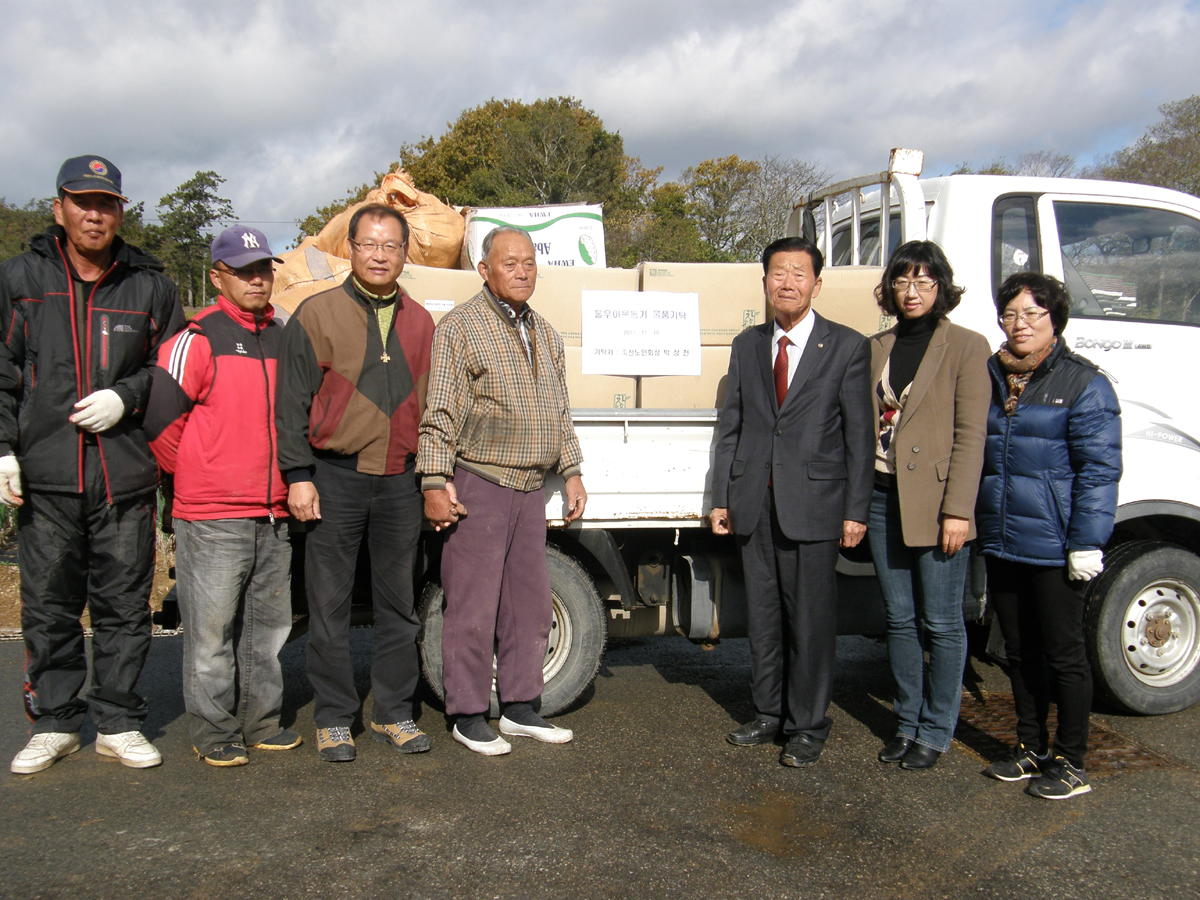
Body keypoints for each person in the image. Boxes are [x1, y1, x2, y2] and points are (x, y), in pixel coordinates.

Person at [2, 155, 184, 774]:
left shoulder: (151, 284)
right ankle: (53, 722)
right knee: (49, 605)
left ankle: (119, 721)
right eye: (82, 202)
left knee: (123, 604)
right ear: (59, 208)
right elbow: (2, 373)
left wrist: (125, 397)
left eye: (105, 203)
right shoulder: (21, 278)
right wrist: (4, 449)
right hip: (47, 474)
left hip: (124, 473)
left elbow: (172, 371)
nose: (94, 213)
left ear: (120, 211)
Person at [417, 226, 586, 756]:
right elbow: (439, 408)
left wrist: (573, 468)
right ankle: (468, 713)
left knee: (529, 605)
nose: (521, 270)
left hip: (530, 487)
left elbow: (559, 410)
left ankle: (520, 707)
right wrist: (433, 481)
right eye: (509, 262)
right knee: (472, 605)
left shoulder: (545, 333)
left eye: (529, 262)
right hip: (479, 483)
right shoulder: (460, 328)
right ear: (483, 269)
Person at [275, 204, 434, 762]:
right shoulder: (316, 314)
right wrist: (298, 475)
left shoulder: (421, 320)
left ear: (405, 252)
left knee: (399, 606)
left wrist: (432, 476)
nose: (380, 255)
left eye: (391, 245)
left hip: (399, 482)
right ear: (352, 248)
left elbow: (433, 408)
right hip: (333, 478)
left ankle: (394, 712)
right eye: (369, 244)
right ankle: (335, 717)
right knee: (330, 606)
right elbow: (289, 402)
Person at [710, 236, 874, 767]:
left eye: (799, 274)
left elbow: (859, 437)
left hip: (817, 508)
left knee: (809, 621)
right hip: (755, 505)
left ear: (817, 284)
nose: (787, 282)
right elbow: (730, 428)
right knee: (762, 617)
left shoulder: (847, 347)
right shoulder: (747, 344)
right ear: (764, 282)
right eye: (778, 272)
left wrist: (856, 510)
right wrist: (721, 498)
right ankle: (767, 713)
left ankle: (807, 724)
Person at [145, 225, 299, 767]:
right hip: (212, 516)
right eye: (244, 271)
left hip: (274, 512)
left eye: (264, 269)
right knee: (212, 634)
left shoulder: (283, 334)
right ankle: (215, 732)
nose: (257, 280)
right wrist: (199, 473)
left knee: (267, 632)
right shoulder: (197, 337)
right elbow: (162, 424)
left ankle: (261, 723)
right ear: (218, 277)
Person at [976, 272, 1121, 800]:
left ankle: (1072, 760)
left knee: (1064, 653)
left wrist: (1088, 539)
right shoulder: (993, 374)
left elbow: (1099, 471)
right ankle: (1031, 746)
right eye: (1011, 314)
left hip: (1057, 543)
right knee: (1017, 651)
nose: (1020, 325)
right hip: (1003, 536)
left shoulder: (1083, 383)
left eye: (1032, 314)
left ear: (1054, 320)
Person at [866, 241, 991, 770]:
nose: (911, 292)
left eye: (923, 281)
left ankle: (937, 731)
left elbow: (971, 436)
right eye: (902, 281)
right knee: (898, 619)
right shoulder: (877, 345)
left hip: (939, 505)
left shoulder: (967, 346)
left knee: (941, 623)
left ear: (941, 287)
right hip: (880, 496)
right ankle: (906, 721)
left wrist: (959, 510)